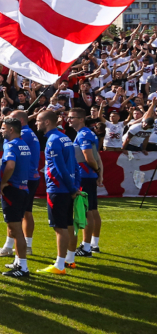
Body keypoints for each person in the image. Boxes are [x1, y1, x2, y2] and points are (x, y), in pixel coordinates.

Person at [35, 110, 80, 275]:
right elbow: (75, 165)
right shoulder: (65, 137)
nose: (36, 123)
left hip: (58, 189)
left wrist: (72, 187)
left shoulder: (53, 140)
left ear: (47, 122)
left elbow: (59, 168)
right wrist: (75, 186)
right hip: (67, 189)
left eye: (39, 120)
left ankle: (60, 265)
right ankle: (69, 260)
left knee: (59, 227)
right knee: (68, 224)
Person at [0, 110, 41, 257]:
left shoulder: (20, 137)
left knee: (16, 217)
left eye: (9, 120)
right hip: (29, 177)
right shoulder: (28, 133)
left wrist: (4, 182)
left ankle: (16, 249)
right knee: (25, 213)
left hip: (20, 179)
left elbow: (11, 164)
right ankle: (23, 246)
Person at [0, 117, 34, 278]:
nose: (1, 130)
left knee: (15, 229)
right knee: (17, 227)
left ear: (11, 130)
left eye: (3, 128)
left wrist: (3, 183)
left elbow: (10, 165)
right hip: (24, 188)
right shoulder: (23, 144)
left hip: (13, 189)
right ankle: (19, 262)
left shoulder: (11, 145)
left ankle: (23, 267)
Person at [68, 108, 104, 257]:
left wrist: (96, 171)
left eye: (72, 117)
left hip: (84, 176)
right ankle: (93, 244)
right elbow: (97, 156)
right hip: (89, 175)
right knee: (93, 210)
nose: (69, 120)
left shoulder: (83, 135)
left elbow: (89, 157)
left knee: (86, 211)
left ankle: (86, 247)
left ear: (81, 119)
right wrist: (99, 172)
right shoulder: (88, 133)